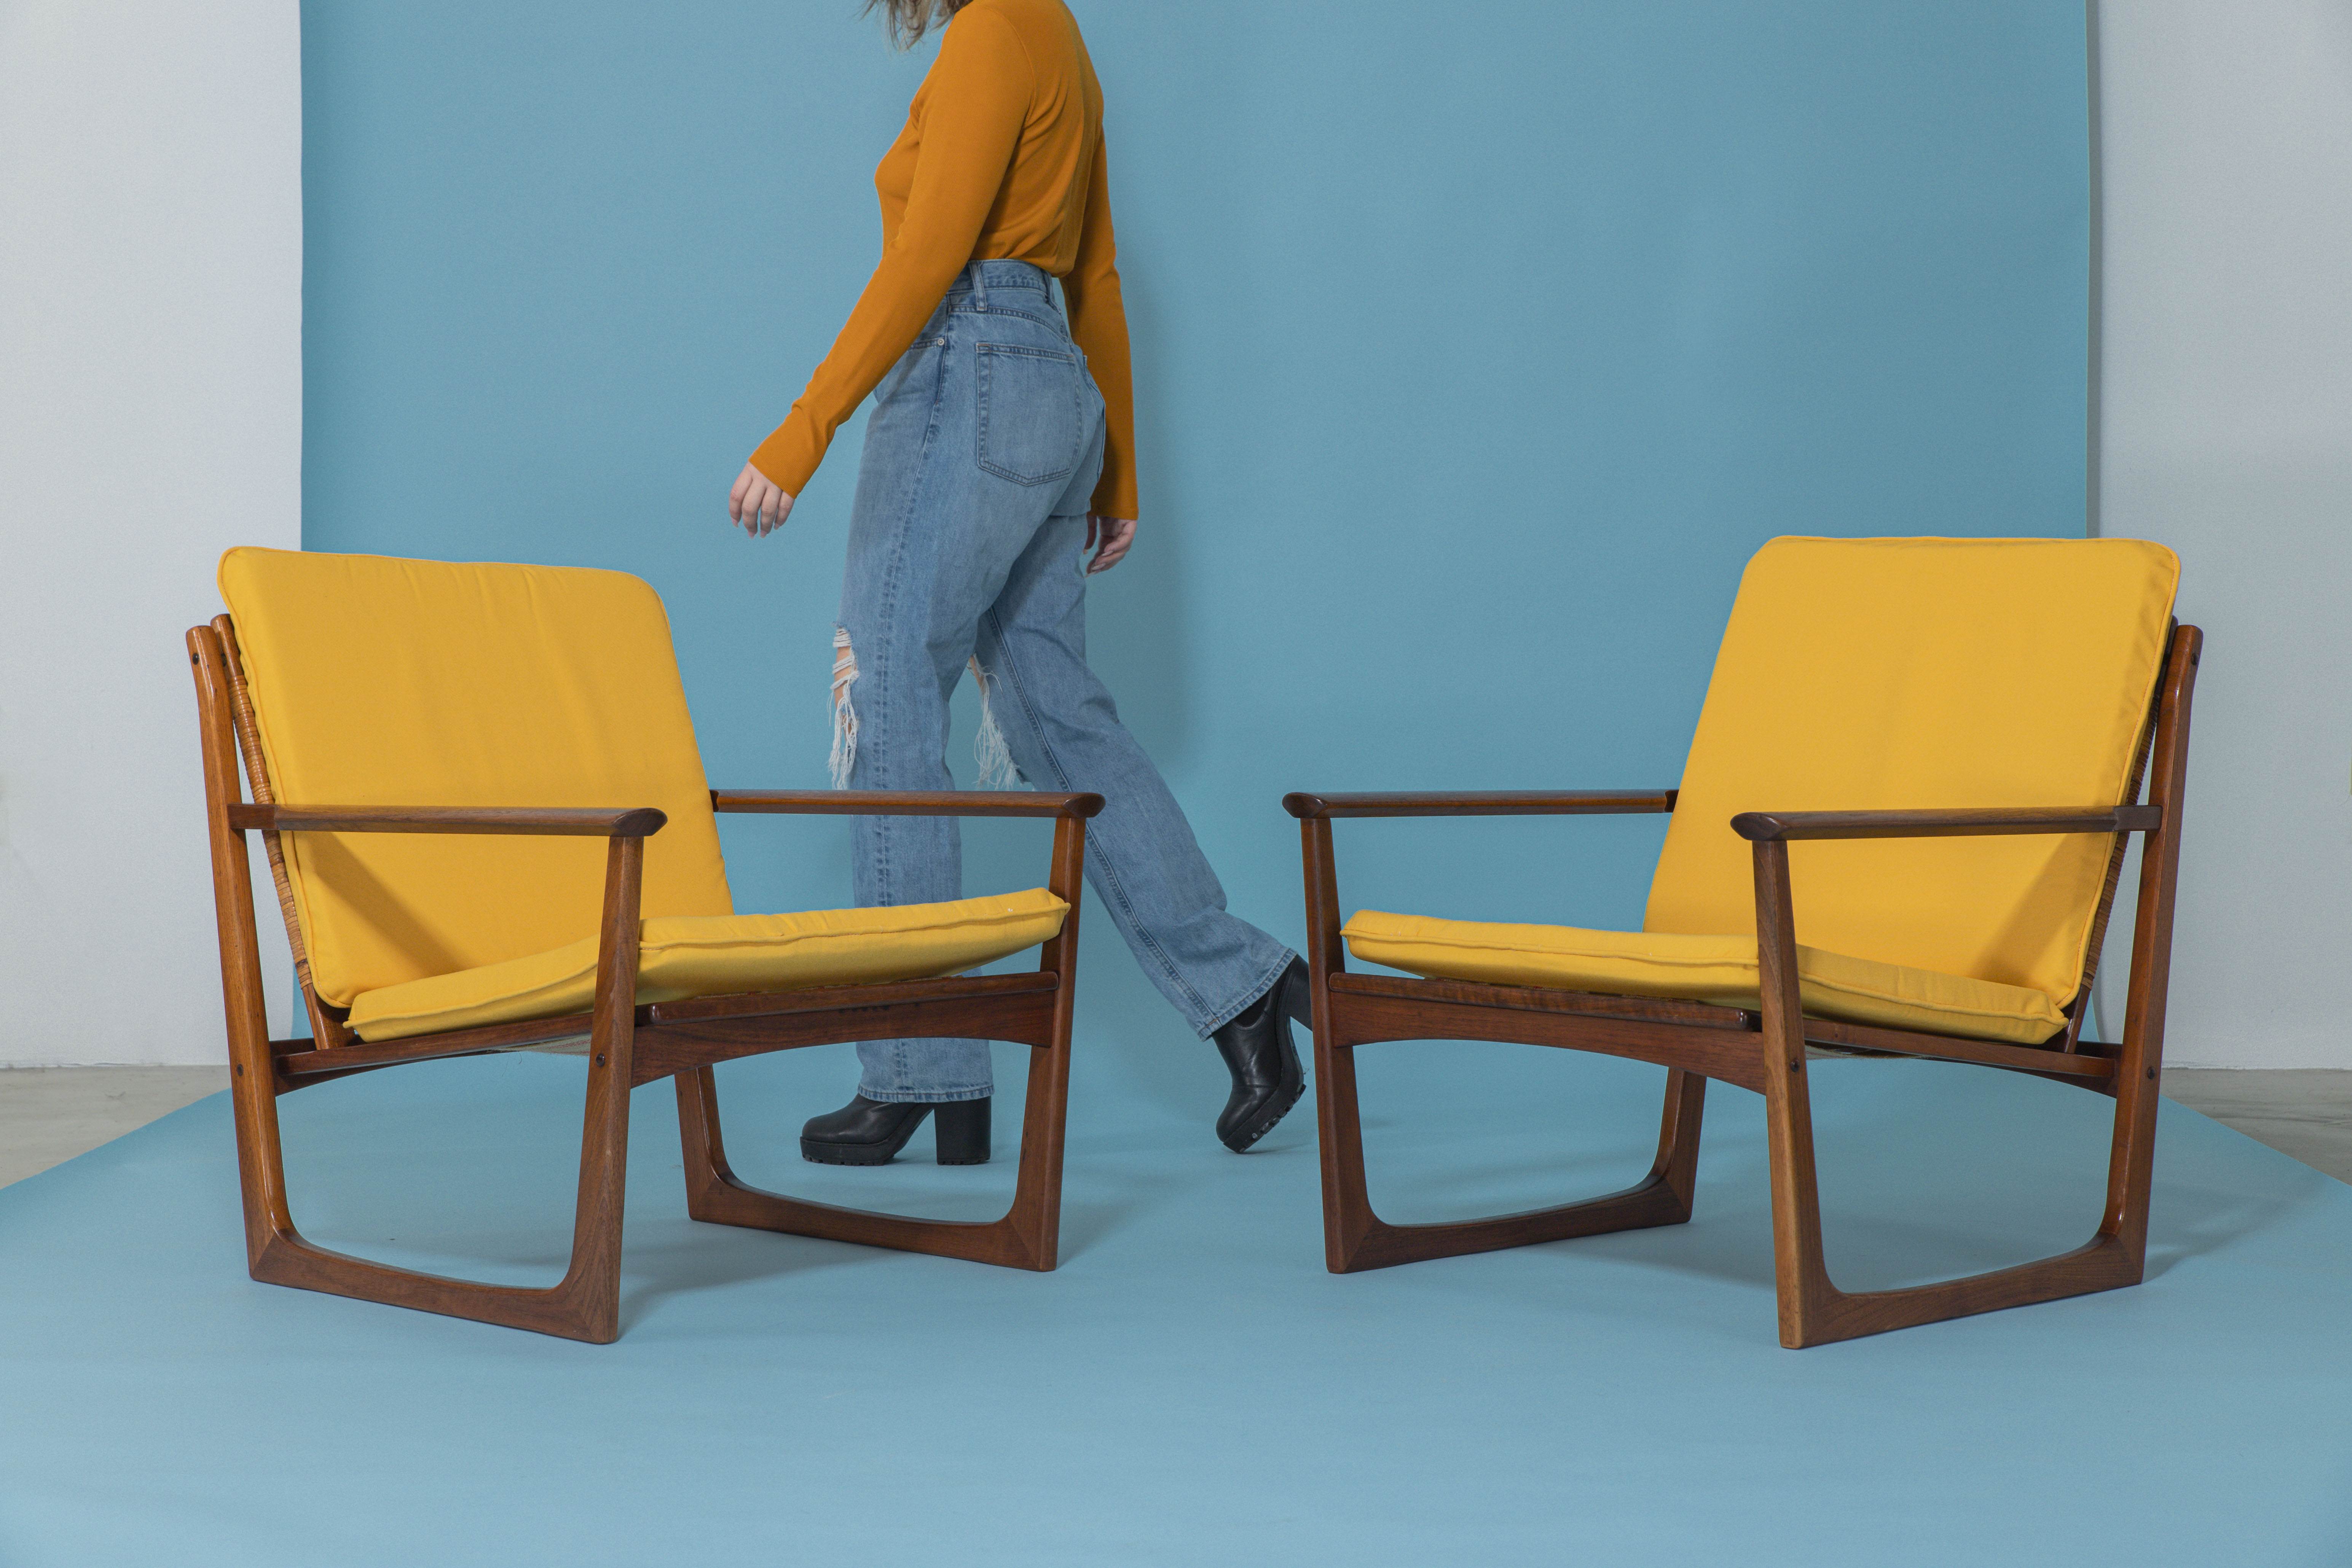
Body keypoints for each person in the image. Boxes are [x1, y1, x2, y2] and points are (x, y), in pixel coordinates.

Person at [728, 0, 1306, 1166]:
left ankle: (919, 1066)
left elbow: (930, 255)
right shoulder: (1058, 32)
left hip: (967, 372)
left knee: (889, 692)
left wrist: (803, 429)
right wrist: (1117, 467)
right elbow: (1094, 271)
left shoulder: (991, 29)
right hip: (1051, 389)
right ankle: (1242, 990)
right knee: (1057, 716)